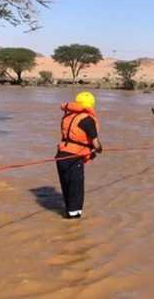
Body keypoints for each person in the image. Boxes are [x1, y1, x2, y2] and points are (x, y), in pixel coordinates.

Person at [55, 91, 103, 219]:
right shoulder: (87, 120)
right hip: (74, 158)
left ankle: (68, 216)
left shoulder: (67, 117)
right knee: (76, 191)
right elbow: (96, 144)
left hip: (61, 156)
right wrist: (99, 150)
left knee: (67, 189)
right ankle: (74, 226)